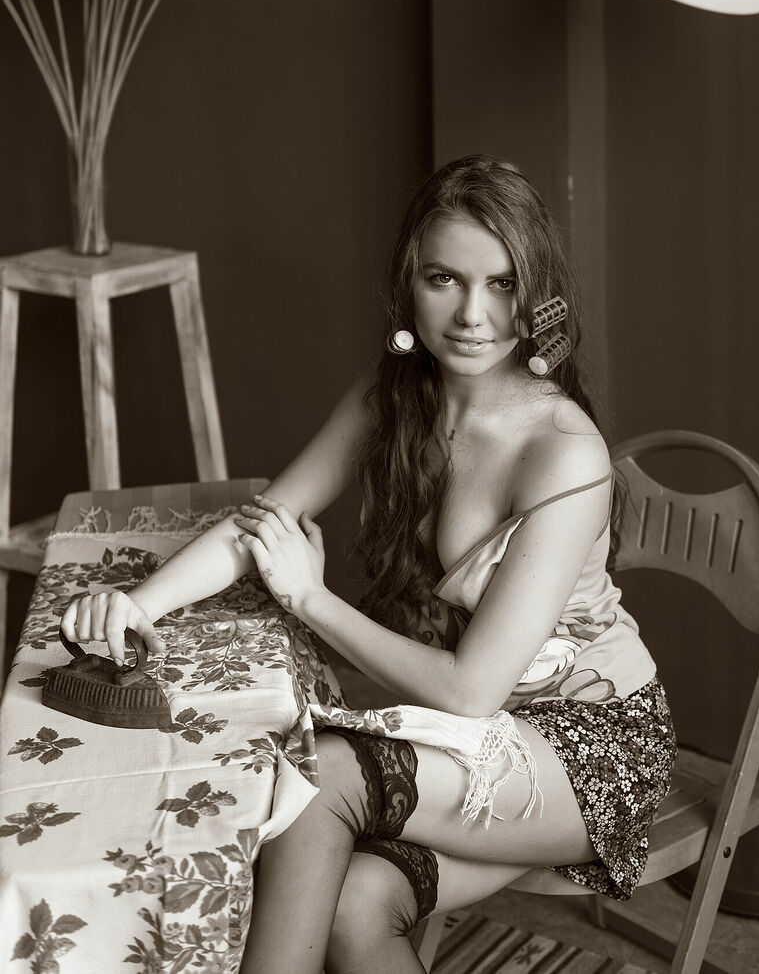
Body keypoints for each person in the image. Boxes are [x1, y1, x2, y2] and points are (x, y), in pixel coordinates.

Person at [61, 155, 676, 974]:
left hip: (591, 748)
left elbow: (470, 689)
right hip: (480, 736)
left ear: (537, 297)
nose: (472, 315)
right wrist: (140, 605)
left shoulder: (562, 453)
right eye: (443, 279)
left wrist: (309, 599)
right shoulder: (394, 398)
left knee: (317, 778)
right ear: (406, 285)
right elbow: (264, 524)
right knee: (352, 907)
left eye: (501, 285)